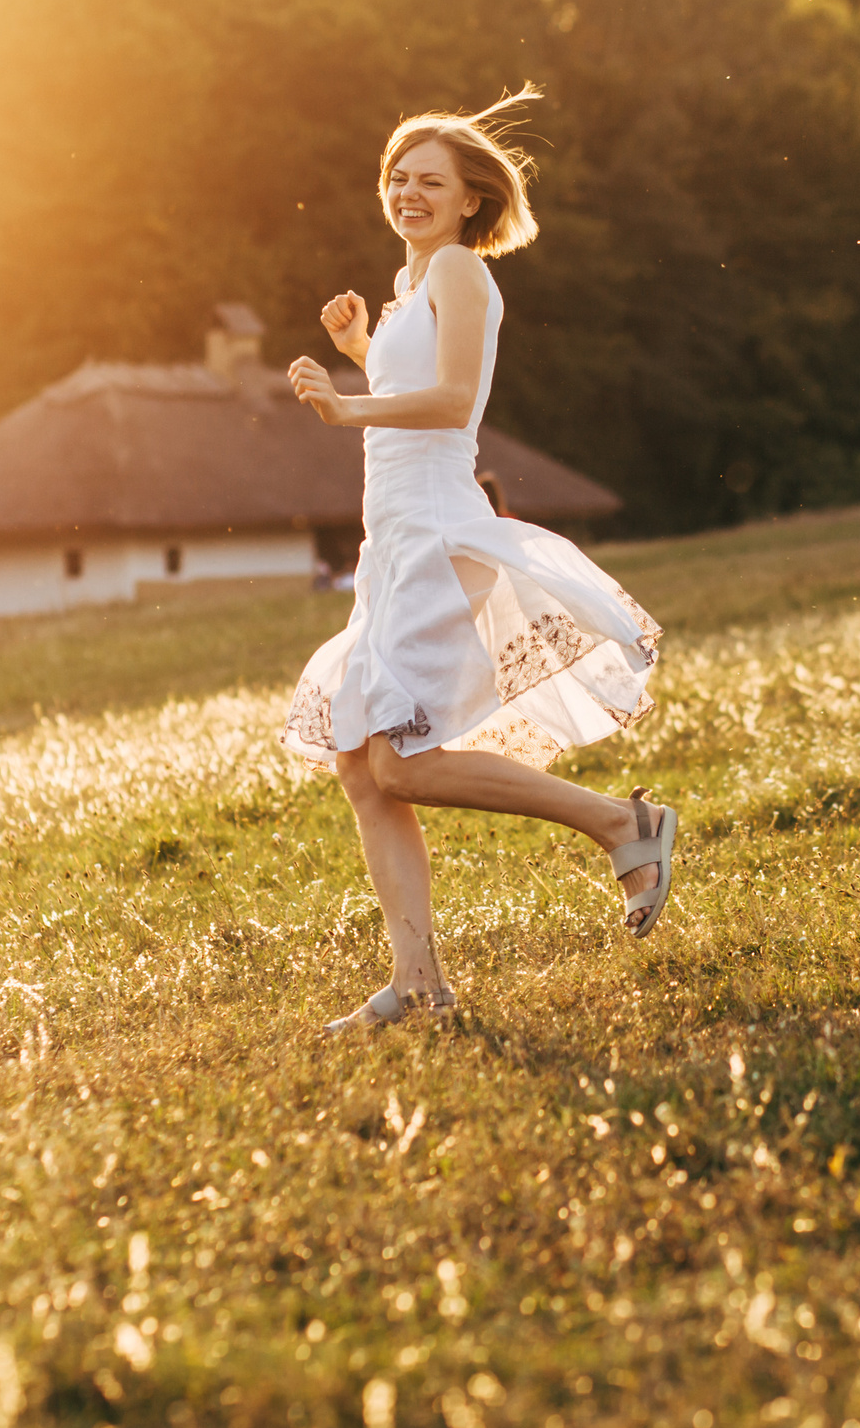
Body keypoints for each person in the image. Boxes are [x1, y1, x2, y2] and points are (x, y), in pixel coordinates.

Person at [281, 88, 676, 1033]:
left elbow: (453, 401)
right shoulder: (412, 285)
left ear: (470, 200)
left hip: (435, 530)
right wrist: (364, 348)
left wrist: (347, 403)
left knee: (401, 763)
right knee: (360, 762)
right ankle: (416, 983)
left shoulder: (458, 270)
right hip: (394, 541)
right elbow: (417, 379)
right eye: (397, 178)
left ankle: (623, 825)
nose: (408, 193)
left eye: (431, 181)